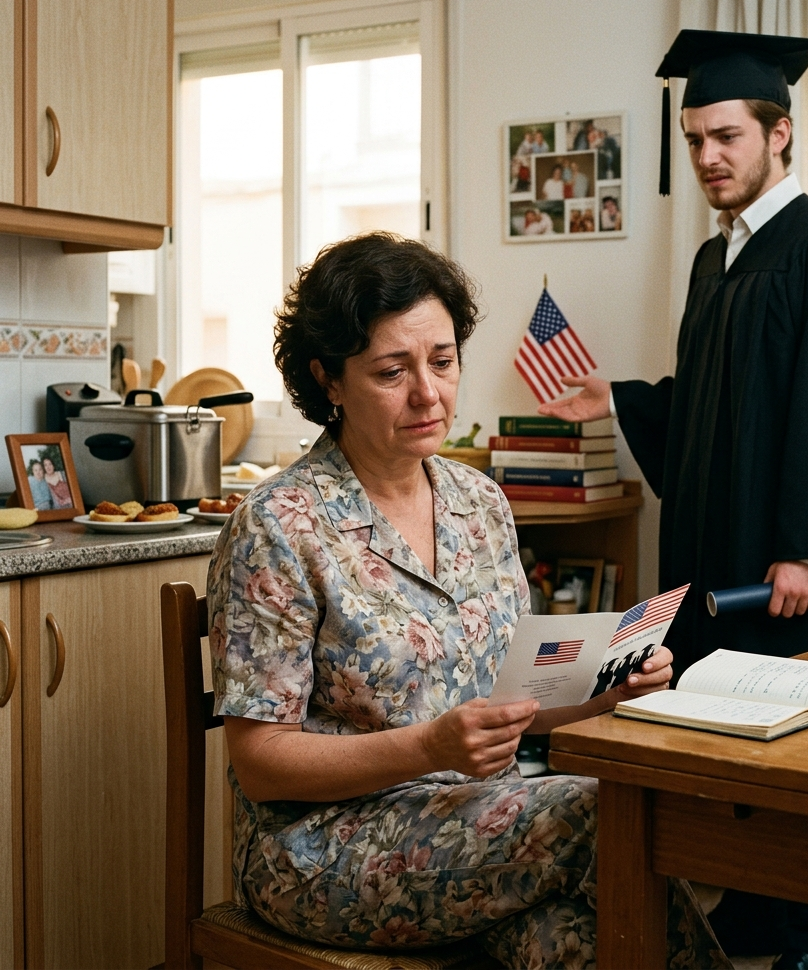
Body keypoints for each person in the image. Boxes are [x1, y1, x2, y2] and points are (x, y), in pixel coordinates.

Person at [208, 232, 729, 969]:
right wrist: (430, 747)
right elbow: (261, 762)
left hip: (481, 825)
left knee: (580, 942)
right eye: (393, 371)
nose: (429, 393)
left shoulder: (480, 502)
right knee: (598, 812)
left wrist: (610, 690)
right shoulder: (278, 524)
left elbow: (516, 706)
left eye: (444, 361)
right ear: (329, 380)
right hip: (323, 847)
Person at [539, 29, 808, 969]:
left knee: (802, 745)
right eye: (696, 138)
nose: (708, 156)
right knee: (730, 735)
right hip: (723, 561)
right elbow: (711, 402)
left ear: (781, 134)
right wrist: (621, 399)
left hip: (791, 573)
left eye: (727, 136)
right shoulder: (716, 260)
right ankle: (753, 907)